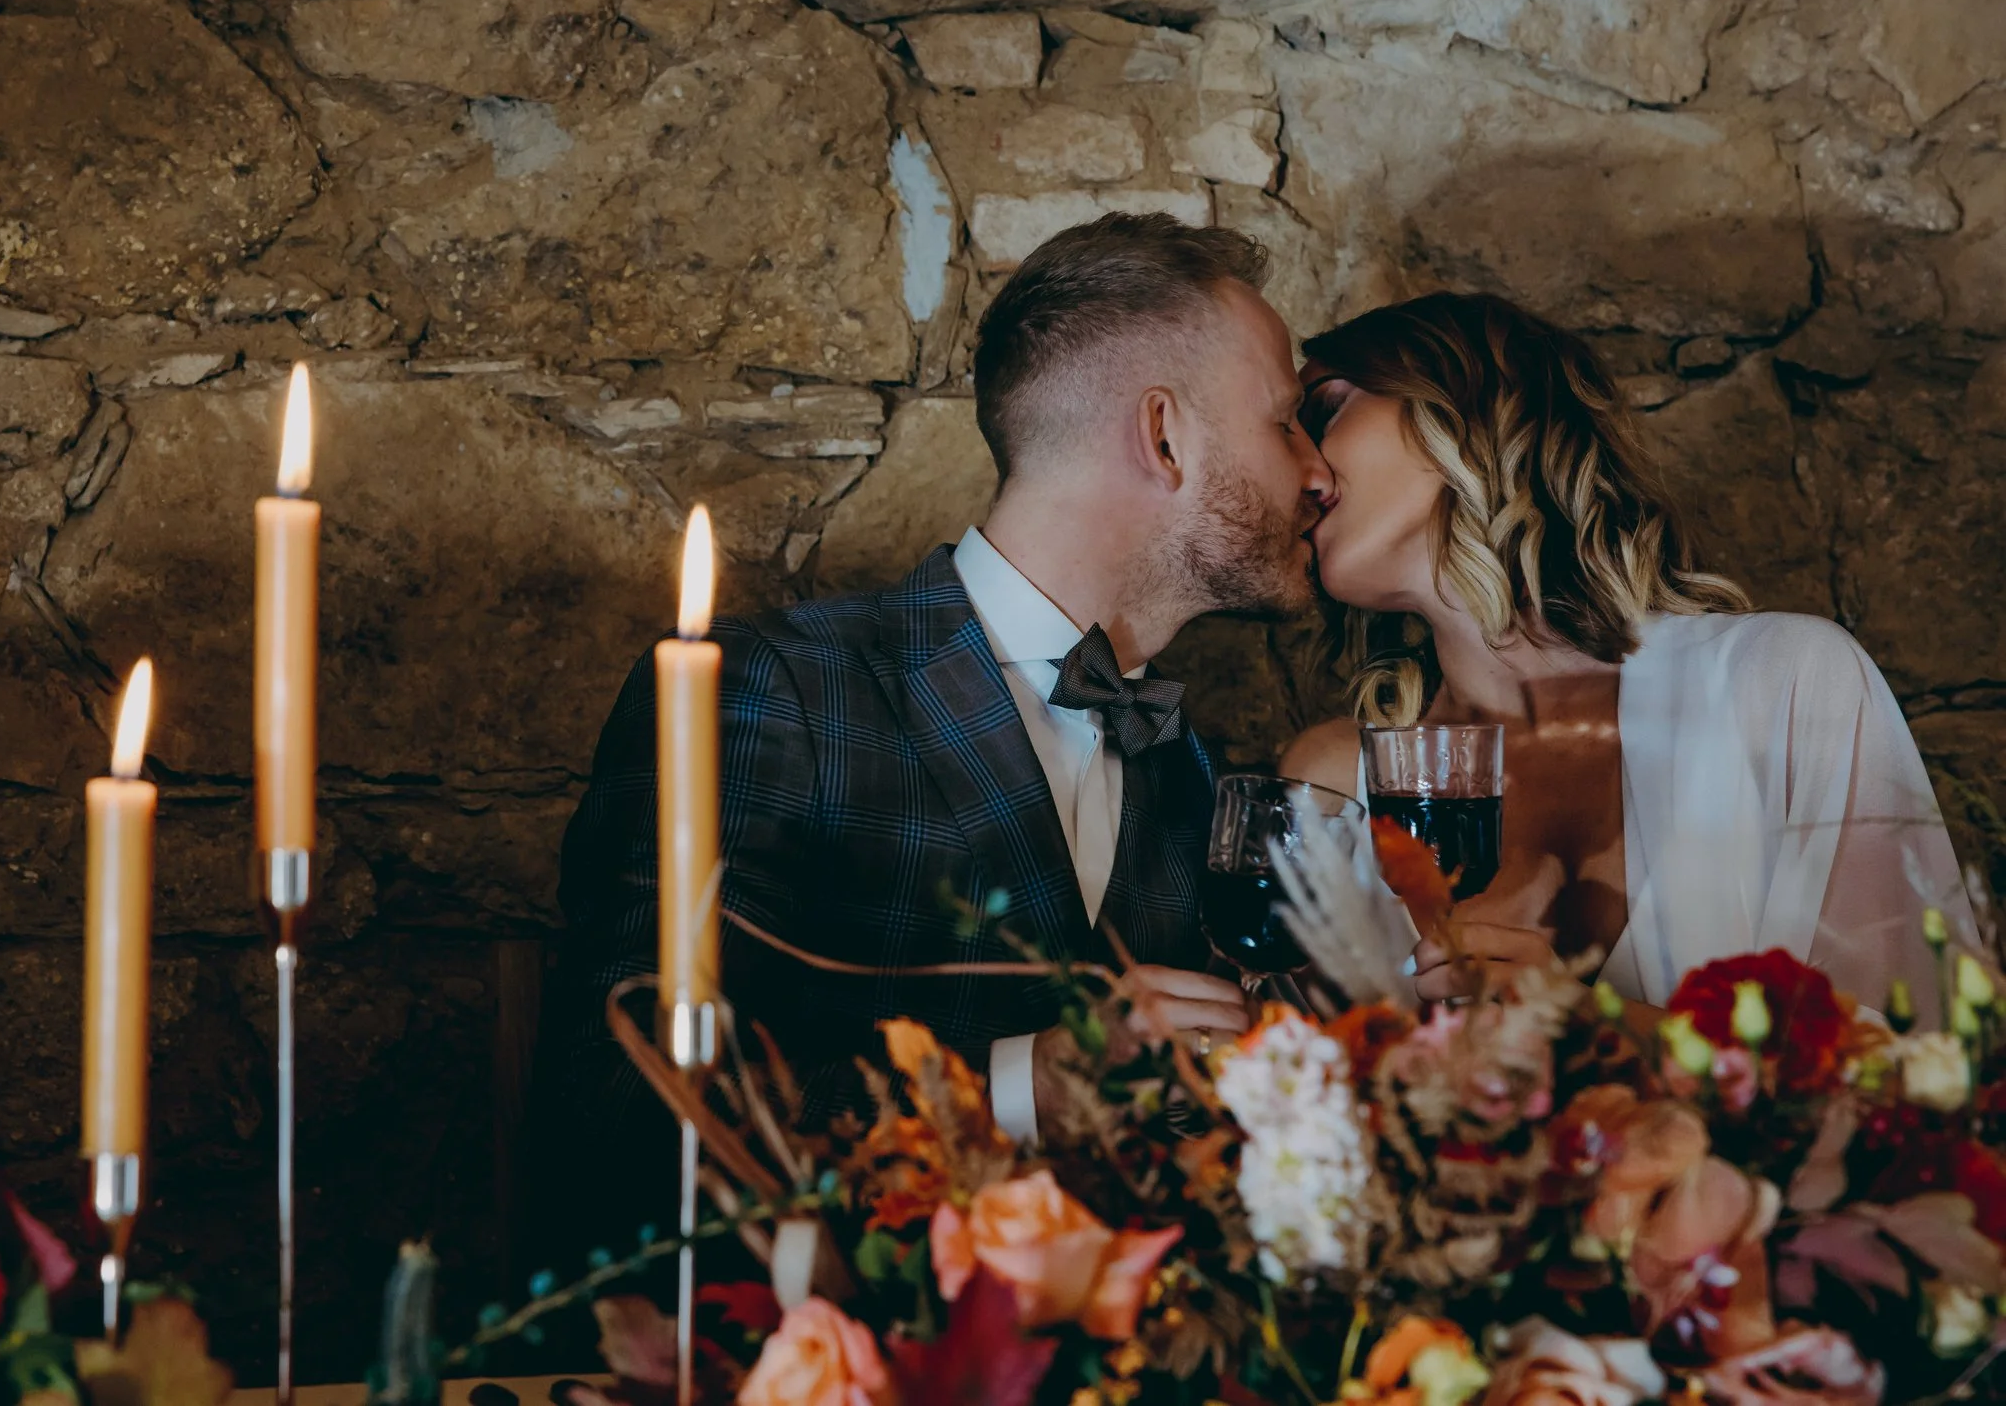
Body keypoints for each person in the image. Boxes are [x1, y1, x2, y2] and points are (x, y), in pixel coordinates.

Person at [545, 216, 1336, 1218]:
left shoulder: (1188, 769)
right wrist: (1021, 1085)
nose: (1318, 472)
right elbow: (612, 1107)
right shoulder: (776, 691)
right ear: (1164, 435)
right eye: (1285, 421)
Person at [1279, 291, 1975, 1016]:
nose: (1301, 466)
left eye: (1324, 410)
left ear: (1464, 402)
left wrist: (1593, 1027)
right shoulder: (1334, 786)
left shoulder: (1783, 688)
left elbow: (1924, 1067)